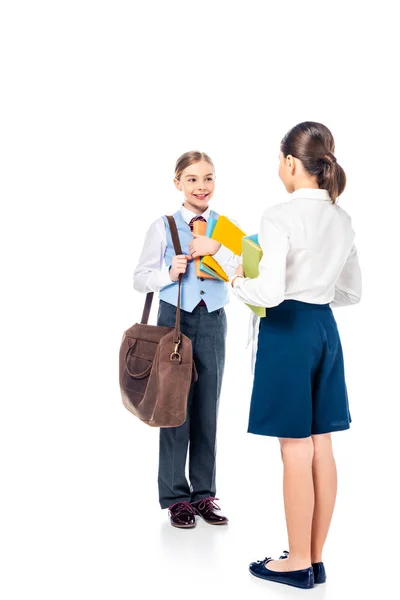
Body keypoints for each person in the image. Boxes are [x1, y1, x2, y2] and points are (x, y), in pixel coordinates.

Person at [231, 122, 362, 589]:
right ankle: (315, 558)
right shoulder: (341, 218)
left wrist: (234, 278)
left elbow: (268, 289)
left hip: (287, 330)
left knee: (294, 450)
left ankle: (296, 562)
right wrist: (317, 289)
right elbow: (351, 292)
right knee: (322, 445)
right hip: (325, 329)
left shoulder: (278, 216)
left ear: (289, 163)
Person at [134, 151, 239, 528]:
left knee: (207, 408)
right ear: (177, 183)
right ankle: (176, 497)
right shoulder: (163, 227)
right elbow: (139, 278)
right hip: (173, 322)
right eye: (192, 179)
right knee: (174, 408)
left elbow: (245, 269)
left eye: (208, 178)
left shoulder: (225, 228)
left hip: (212, 321)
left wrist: (222, 251)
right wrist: (167, 272)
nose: (201, 186)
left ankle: (204, 494)